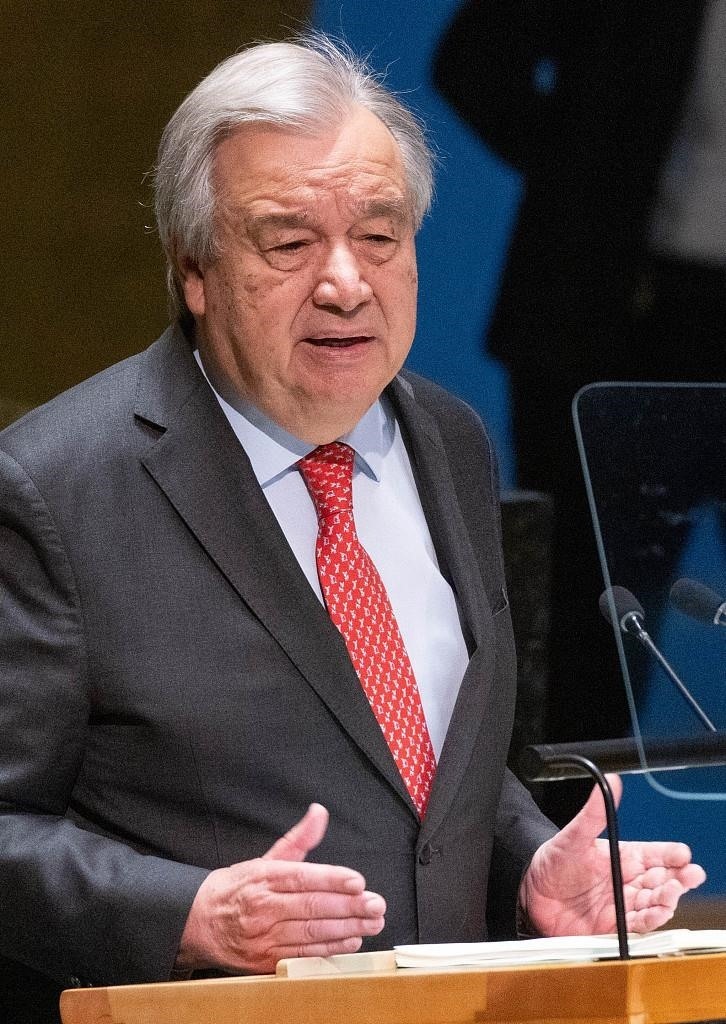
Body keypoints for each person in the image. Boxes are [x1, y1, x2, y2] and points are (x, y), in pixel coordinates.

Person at [0, 35, 705, 1020]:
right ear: (194, 269)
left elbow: (428, 767)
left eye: (379, 235)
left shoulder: (453, 442)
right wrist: (190, 915)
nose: (345, 282)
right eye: (288, 243)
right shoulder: (53, 487)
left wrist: (528, 869)